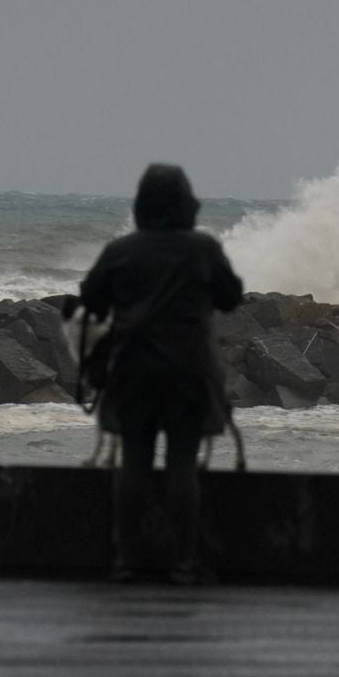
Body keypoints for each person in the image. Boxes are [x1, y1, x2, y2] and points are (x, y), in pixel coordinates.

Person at [80, 164, 243, 583]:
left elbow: (91, 298)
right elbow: (231, 297)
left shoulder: (120, 251)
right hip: (188, 372)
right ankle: (184, 564)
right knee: (182, 463)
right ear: (181, 205)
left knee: (134, 460)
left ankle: (127, 562)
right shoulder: (202, 250)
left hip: (133, 370)